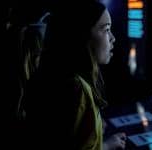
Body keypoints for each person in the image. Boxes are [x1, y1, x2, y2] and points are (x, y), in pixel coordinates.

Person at [23, 1, 126, 150]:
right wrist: (105, 146)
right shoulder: (75, 88)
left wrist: (93, 128)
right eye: (106, 29)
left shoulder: (58, 76)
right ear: (82, 35)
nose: (112, 38)